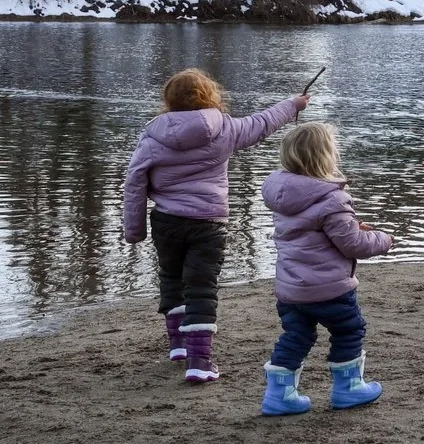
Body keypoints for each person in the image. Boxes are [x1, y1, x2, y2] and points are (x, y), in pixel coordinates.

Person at [122, 68, 307, 383]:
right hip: (209, 223)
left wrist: (134, 229)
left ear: (169, 100)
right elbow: (263, 123)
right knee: (201, 287)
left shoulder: (153, 134)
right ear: (210, 96)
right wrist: (293, 104)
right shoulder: (225, 129)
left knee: (171, 278)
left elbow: (134, 182)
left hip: (167, 220)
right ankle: (199, 361)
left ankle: (179, 346)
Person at [258, 122, 394, 416]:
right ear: (326, 157)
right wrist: (383, 240)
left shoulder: (282, 197)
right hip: (330, 289)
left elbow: (308, 232)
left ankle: (278, 395)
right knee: (349, 331)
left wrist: (350, 226)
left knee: (297, 336)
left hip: (292, 290)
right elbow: (354, 245)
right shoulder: (333, 198)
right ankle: (348, 389)